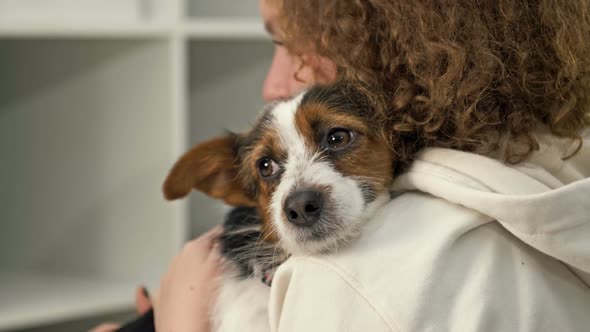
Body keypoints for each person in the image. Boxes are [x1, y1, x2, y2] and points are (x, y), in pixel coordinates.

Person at [94, 0, 590, 331]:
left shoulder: (350, 280)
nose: (273, 83)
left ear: (390, 38)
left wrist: (177, 321)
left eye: (338, 138)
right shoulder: (548, 169)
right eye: (269, 168)